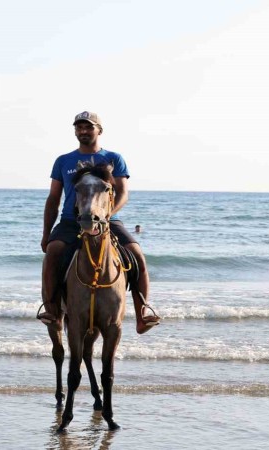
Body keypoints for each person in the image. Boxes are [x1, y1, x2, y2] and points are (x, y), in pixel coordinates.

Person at [37, 111, 160, 334]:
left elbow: (122, 193)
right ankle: (52, 310)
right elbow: (54, 198)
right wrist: (46, 234)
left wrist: (105, 215)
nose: (83, 131)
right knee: (52, 253)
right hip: (71, 221)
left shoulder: (114, 158)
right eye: (79, 128)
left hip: (108, 220)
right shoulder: (63, 161)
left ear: (99, 131)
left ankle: (143, 312)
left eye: (88, 127)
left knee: (137, 254)